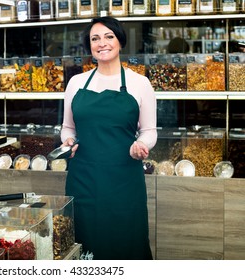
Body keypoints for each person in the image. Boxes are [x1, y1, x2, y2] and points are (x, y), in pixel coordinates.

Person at [60, 16, 157, 260]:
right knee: (85, 241)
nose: (102, 43)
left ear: (120, 41)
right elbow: (67, 127)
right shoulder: (76, 83)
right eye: (95, 38)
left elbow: (149, 131)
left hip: (124, 180)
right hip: (83, 178)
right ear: (89, 46)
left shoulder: (140, 83)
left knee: (126, 241)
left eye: (108, 36)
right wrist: (68, 141)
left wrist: (141, 145)